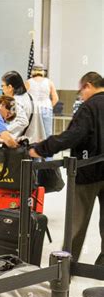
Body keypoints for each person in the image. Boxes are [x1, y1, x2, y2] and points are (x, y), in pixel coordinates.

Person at [29, 72, 104, 266]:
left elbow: (72, 136)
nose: (81, 95)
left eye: (81, 91)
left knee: (76, 223)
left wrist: (40, 149)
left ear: (88, 85)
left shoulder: (89, 107)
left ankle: (64, 269)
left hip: (88, 173)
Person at [1, 71, 45, 143]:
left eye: (2, 86)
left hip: (25, 143)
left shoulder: (16, 101)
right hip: (35, 140)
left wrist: (4, 130)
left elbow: (23, 121)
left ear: (10, 87)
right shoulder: (30, 97)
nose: (2, 89)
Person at [26, 64, 59, 138]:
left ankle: (33, 148)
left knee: (32, 132)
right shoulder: (49, 82)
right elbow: (56, 98)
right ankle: (47, 148)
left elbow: (24, 98)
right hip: (46, 108)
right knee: (47, 132)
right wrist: (49, 106)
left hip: (33, 110)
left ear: (33, 71)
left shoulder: (28, 82)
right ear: (43, 71)